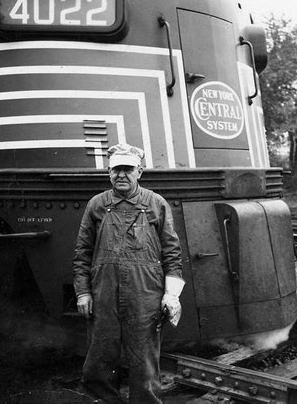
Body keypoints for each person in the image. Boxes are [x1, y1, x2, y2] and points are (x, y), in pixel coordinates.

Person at [73, 143, 185, 403]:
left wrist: (171, 295)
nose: (121, 175)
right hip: (103, 296)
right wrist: (82, 292)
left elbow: (172, 253)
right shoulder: (97, 205)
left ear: (140, 172)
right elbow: (82, 253)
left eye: (128, 169)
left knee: (144, 365)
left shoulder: (156, 204)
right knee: (99, 362)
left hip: (145, 296)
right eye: (116, 170)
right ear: (109, 173)